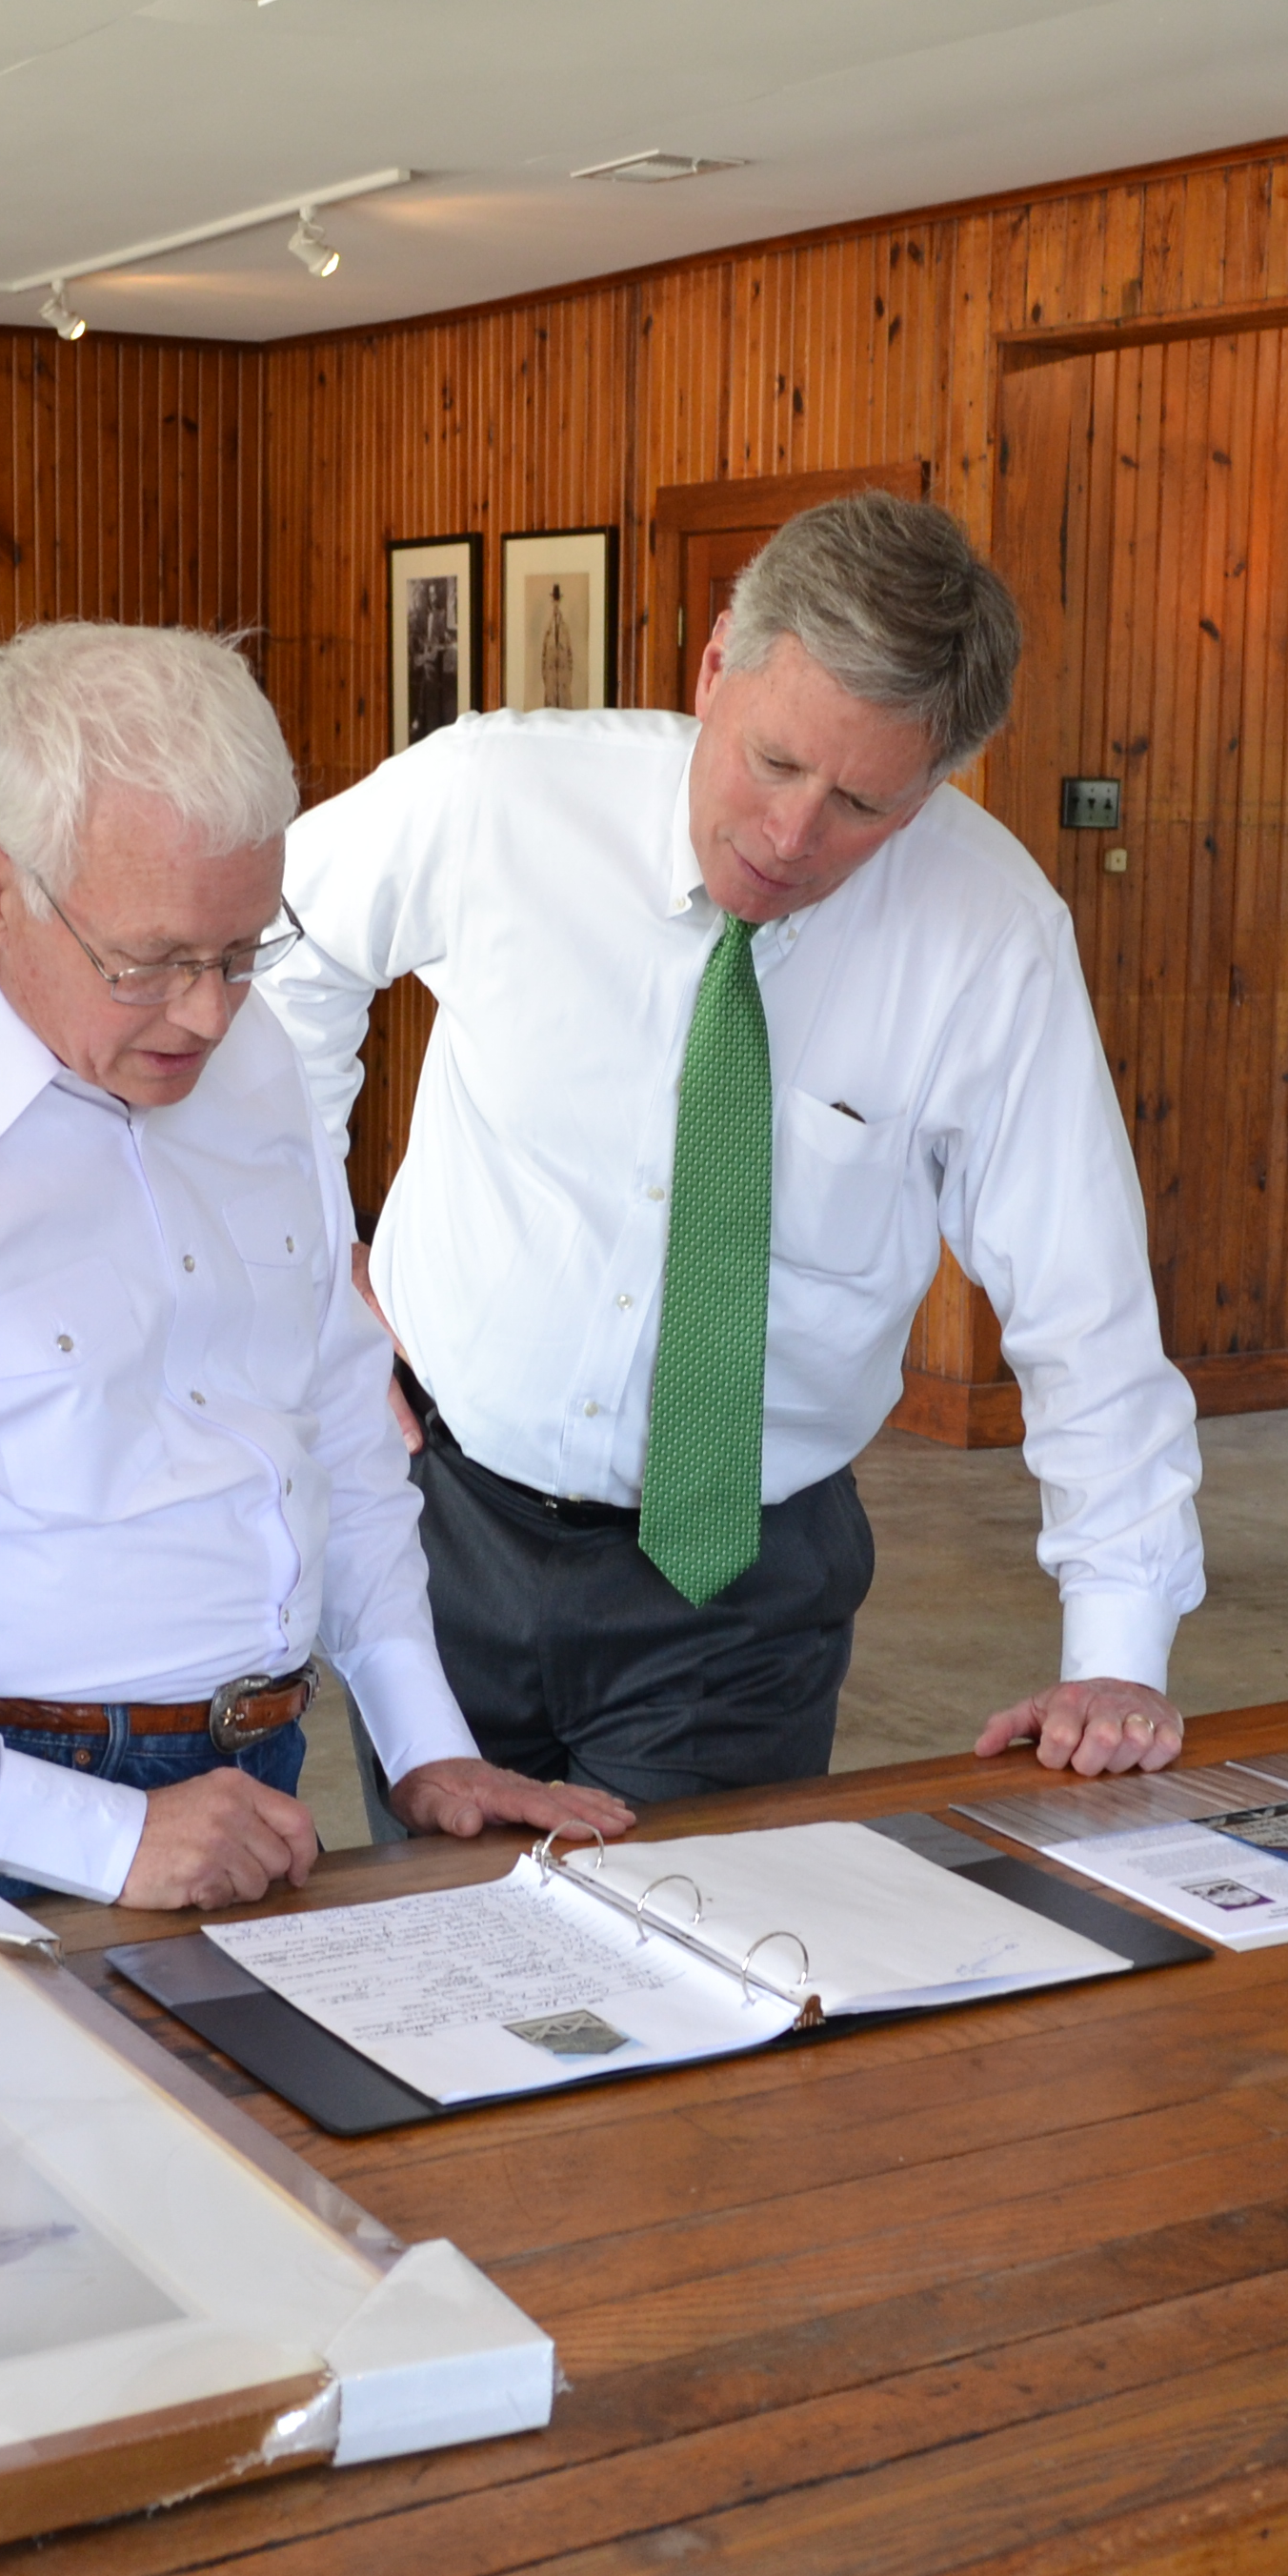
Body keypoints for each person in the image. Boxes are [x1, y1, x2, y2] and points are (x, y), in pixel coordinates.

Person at [0, 621, 623, 1924]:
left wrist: (420, 1733)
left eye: (240, 949)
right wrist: (105, 1839)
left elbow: (332, 1411)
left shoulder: (249, 1058)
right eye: (149, 961)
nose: (208, 1012)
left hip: (257, 1796)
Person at [261, 492, 1205, 1808]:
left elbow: (1085, 1299)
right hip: (441, 1524)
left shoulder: (990, 938)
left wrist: (1118, 1649)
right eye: (772, 764)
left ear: (938, 783)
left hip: (735, 1586)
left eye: (865, 804)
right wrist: (306, 1275)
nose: (791, 837)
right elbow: (275, 957)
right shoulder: (494, 796)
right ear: (713, 669)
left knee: (689, 1975)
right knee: (453, 1971)